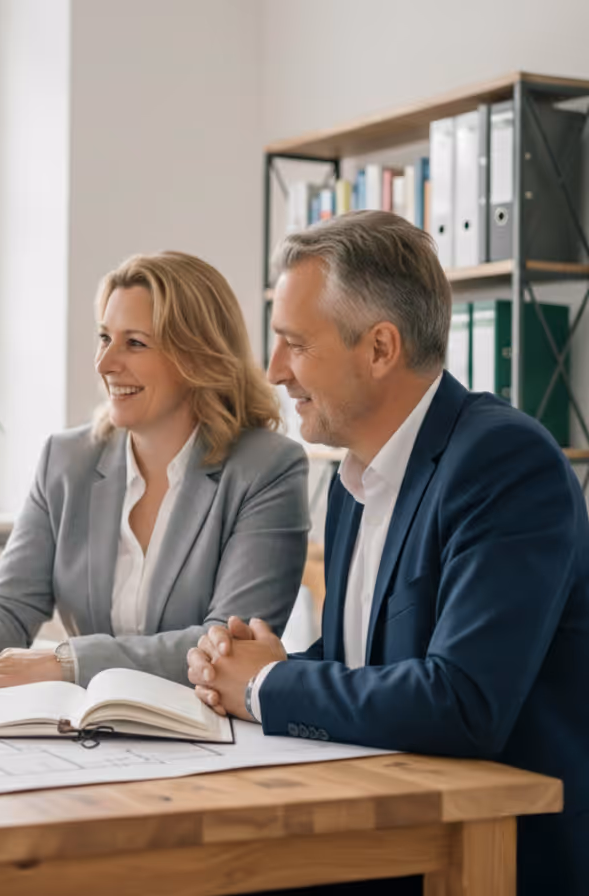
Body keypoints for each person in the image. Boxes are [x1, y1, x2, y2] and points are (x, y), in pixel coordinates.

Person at [188, 210, 589, 896]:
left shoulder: (504, 462)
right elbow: (371, 665)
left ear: (379, 348)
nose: (274, 370)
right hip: (386, 821)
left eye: (293, 343)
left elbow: (460, 700)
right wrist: (244, 666)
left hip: (489, 855)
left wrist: (265, 685)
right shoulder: (354, 476)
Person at [0, 250, 309, 695]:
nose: (105, 363)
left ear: (198, 357)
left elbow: (227, 646)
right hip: (91, 729)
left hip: (212, 736)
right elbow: (10, 604)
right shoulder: (67, 459)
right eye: (104, 338)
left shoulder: (268, 469)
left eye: (135, 343)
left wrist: (64, 663)